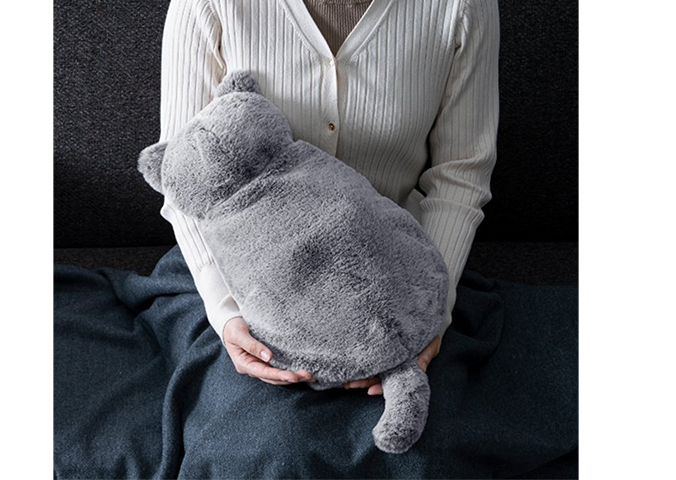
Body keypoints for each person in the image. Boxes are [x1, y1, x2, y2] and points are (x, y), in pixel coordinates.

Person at [158, 0, 499, 395]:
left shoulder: (463, 7)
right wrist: (229, 315)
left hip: (399, 274)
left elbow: (461, 172)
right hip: (238, 283)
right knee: (262, 430)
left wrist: (429, 312)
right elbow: (179, 176)